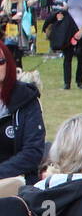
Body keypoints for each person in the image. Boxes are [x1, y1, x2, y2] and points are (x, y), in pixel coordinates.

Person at [0, 43, 45, 186]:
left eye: (0, 61)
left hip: (17, 184)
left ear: (8, 62)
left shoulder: (26, 98)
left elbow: (33, 152)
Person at [2, 0, 32, 69]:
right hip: (8, 34)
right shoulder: (5, 6)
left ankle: (19, 76)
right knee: (9, 57)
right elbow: (2, 20)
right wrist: (12, 18)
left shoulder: (23, 4)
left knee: (18, 58)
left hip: (20, 34)